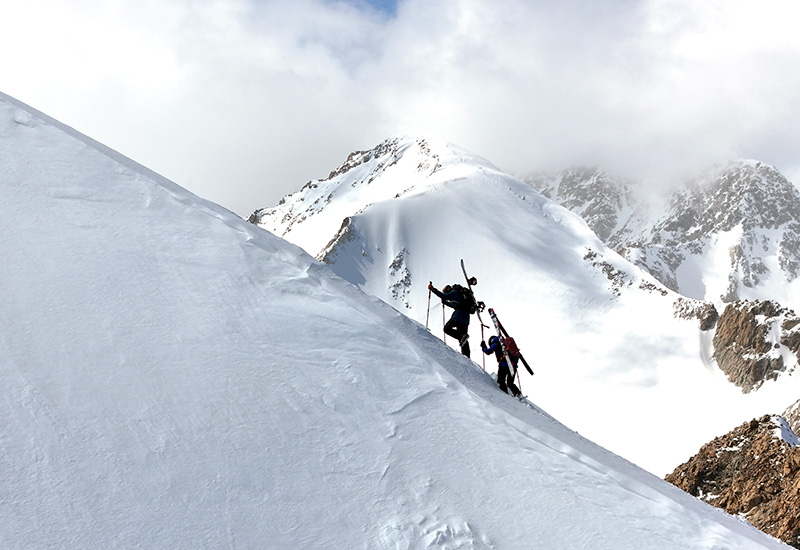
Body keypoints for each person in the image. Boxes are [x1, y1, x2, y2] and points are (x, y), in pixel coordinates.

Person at [428, 282, 473, 357]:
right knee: (463, 339)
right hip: (466, 319)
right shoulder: (460, 295)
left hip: (458, 317)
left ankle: (462, 338)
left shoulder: (454, 292)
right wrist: (445, 303)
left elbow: (444, 296)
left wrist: (433, 289)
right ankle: (466, 355)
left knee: (447, 329)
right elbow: (454, 305)